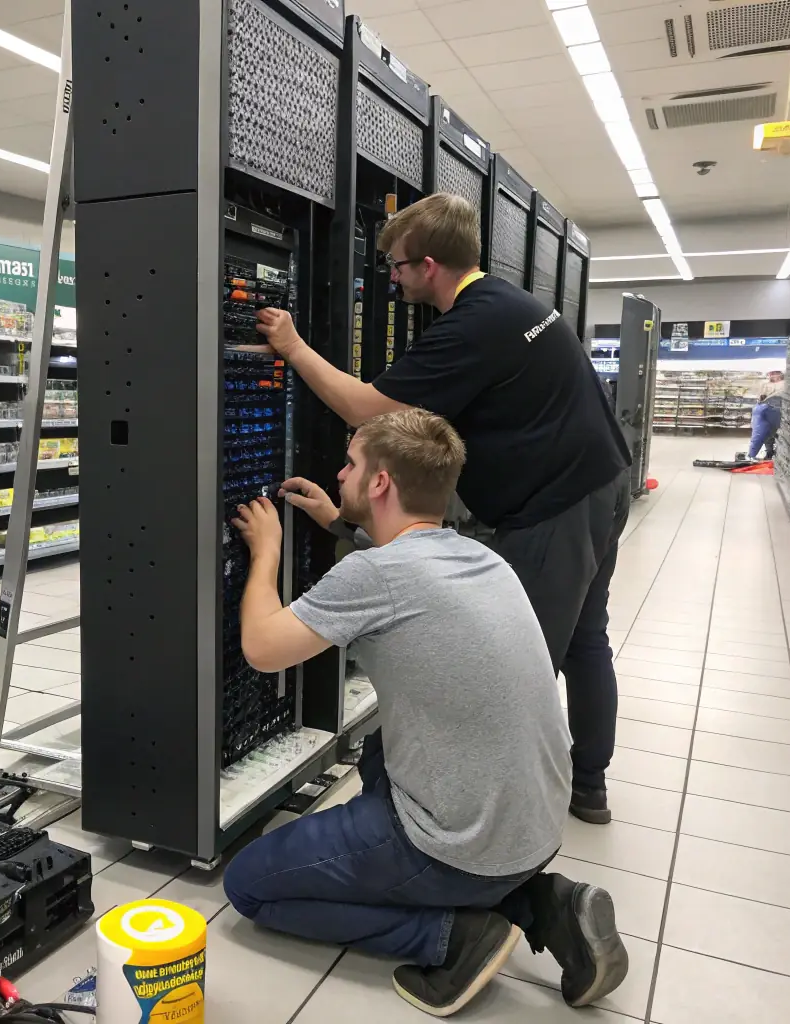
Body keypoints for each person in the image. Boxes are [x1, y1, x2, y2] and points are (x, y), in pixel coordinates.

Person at [221, 408, 628, 1017]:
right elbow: (399, 567)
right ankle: (546, 905)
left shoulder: (373, 575)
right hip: (537, 827)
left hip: (463, 843)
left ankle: (454, 938)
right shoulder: (480, 557)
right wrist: (337, 520)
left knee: (247, 886)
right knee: (382, 748)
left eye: (351, 465)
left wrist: (267, 550)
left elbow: (262, 648)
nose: (338, 473)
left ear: (380, 483)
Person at [255, 193, 632, 824]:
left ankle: (506, 810)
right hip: (600, 484)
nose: (393, 279)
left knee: (523, 656)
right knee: (586, 641)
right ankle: (587, 782)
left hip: (558, 504)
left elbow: (366, 410)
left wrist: (293, 347)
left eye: (397, 267)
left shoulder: (473, 324)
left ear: (429, 265)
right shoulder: (510, 303)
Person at [748, 370, 785, 460]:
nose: (771, 375)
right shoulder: (765, 384)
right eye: (770, 374)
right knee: (765, 434)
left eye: (774, 374)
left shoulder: (785, 384)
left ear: (779, 375)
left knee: (775, 433)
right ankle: (769, 452)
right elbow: (760, 397)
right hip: (765, 409)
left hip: (779, 410)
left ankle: (775, 453)